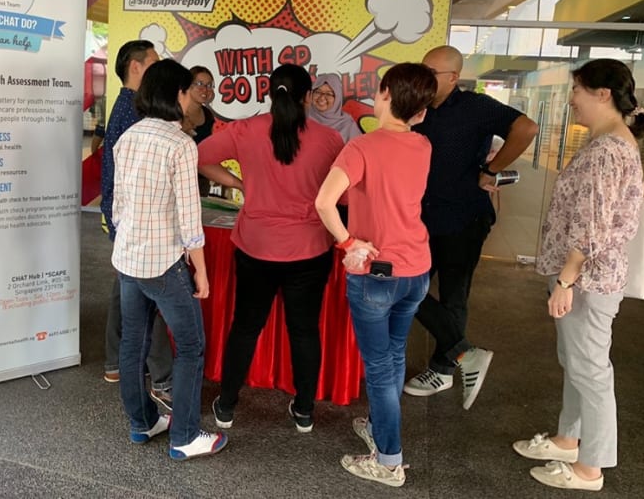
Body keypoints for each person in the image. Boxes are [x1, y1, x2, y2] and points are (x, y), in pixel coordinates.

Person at [512, 59, 644, 491]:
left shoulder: (608, 150)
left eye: (577, 90)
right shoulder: (610, 142)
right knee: (577, 362)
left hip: (587, 280)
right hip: (587, 277)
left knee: (590, 369)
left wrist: (567, 281)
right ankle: (568, 439)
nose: (571, 99)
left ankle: (591, 466)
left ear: (602, 94)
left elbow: (592, 227)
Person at [198, 63, 343, 433]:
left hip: (255, 248)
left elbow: (197, 156)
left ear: (268, 92)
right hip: (310, 250)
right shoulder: (329, 140)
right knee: (305, 330)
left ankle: (227, 406)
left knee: (245, 327)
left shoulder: (245, 130)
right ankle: (305, 411)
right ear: (307, 97)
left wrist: (238, 182)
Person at [315, 63, 436, 488]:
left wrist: (349, 244)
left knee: (382, 370)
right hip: (417, 271)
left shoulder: (362, 147)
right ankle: (380, 429)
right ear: (420, 112)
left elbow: (325, 202)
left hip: (376, 275)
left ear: (382, 94)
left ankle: (388, 461)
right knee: (394, 357)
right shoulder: (422, 145)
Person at [403, 45, 539, 409]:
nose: (424, 76)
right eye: (422, 68)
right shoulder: (416, 107)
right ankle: (464, 353)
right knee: (406, 288)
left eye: (432, 71)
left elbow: (527, 128)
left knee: (453, 295)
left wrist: (491, 171)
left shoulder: (475, 107)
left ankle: (444, 369)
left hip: (462, 218)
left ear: (453, 77)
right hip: (419, 219)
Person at [112, 58, 228, 460]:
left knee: (133, 344)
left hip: (128, 260)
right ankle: (185, 436)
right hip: (164, 264)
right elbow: (190, 217)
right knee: (192, 346)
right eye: (188, 90)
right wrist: (202, 273)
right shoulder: (180, 143)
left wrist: (128, 240)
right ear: (176, 94)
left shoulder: (128, 137)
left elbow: (119, 204)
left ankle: (142, 422)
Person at [100, 40, 174, 411]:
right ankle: (162, 377)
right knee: (152, 292)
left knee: (125, 285)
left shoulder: (125, 105)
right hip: (137, 220)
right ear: (135, 67)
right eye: (153, 65)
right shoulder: (135, 110)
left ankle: (115, 362)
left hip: (123, 216)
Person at [186, 66, 217, 196]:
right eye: (199, 84)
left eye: (209, 85)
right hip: (179, 179)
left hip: (202, 180)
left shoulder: (208, 114)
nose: (205, 89)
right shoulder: (175, 113)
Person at [308, 73, 361, 143]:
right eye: (318, 92)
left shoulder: (347, 125)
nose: (322, 98)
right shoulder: (301, 118)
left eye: (329, 94)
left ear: (338, 98)